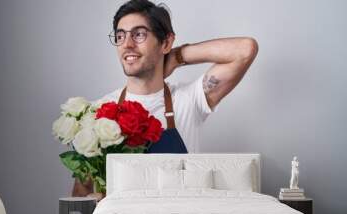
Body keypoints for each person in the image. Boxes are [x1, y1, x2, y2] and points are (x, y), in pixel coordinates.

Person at [76, 0, 259, 197]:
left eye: (139, 34)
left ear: (165, 42)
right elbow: (82, 191)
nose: (127, 44)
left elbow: (245, 49)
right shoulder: (100, 110)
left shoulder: (189, 100)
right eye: (120, 36)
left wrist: (176, 57)